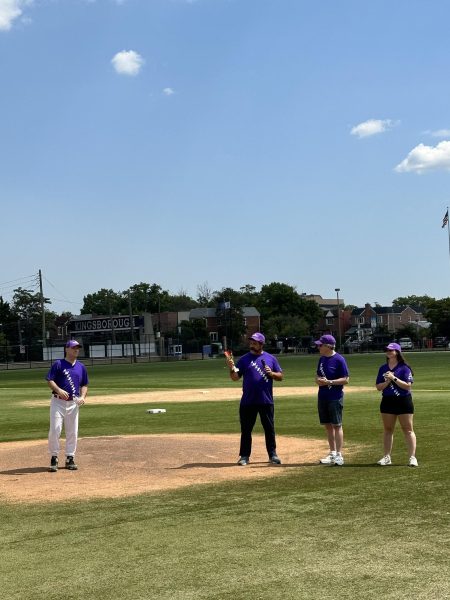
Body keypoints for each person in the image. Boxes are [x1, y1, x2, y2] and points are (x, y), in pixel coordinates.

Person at [226, 332, 283, 466]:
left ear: (261, 344)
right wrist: (231, 368)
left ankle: (272, 454)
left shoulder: (271, 359)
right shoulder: (244, 359)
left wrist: (272, 373)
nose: (252, 345)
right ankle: (244, 456)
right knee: (246, 429)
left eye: (255, 343)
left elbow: (281, 376)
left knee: (269, 428)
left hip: (266, 400)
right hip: (248, 400)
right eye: (251, 342)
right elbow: (235, 378)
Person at [46, 340, 89, 472]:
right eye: (73, 348)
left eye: (77, 348)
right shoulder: (58, 364)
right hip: (58, 402)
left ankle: (70, 457)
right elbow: (50, 380)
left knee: (72, 432)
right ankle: (54, 457)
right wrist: (58, 390)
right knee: (55, 429)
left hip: (73, 403)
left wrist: (82, 397)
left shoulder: (81, 367)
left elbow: (84, 385)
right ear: (67, 349)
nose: (76, 350)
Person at [375, 342, 418, 467]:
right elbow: (378, 387)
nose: (388, 352)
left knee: (408, 429)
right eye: (387, 350)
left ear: (397, 352)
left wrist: (394, 378)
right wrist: (387, 382)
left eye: (391, 350)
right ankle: (387, 456)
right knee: (388, 430)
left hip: (403, 401)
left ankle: (412, 457)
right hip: (388, 401)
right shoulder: (383, 368)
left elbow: (407, 386)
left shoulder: (404, 367)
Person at [314, 334, 349, 466]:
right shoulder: (321, 359)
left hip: (335, 397)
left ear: (328, 346)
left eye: (320, 345)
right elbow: (317, 375)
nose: (318, 347)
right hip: (322, 396)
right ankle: (332, 453)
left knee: (337, 425)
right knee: (328, 426)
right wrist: (318, 381)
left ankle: (339, 455)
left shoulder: (339, 359)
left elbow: (346, 379)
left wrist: (329, 381)